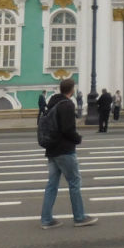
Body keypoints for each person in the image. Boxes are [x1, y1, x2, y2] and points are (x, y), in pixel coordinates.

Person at [40, 78, 98, 228]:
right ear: (71, 90)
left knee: (52, 185)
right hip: (64, 150)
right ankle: (79, 217)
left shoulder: (53, 103)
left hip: (52, 149)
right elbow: (67, 129)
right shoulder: (67, 105)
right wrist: (77, 138)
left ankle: (46, 219)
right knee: (74, 182)